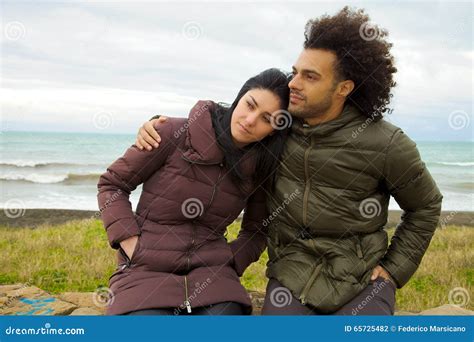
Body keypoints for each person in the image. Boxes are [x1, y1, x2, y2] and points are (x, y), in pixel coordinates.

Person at [135, 7, 443, 315]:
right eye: (295, 71)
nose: (293, 83)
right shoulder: (276, 128)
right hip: (291, 275)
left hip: (361, 278)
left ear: (343, 88)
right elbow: (224, 120)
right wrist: (160, 126)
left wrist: (394, 269)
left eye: (309, 77)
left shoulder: (386, 143)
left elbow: (425, 205)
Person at [97, 68, 290, 315]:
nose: (250, 120)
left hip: (213, 275)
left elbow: (257, 230)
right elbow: (112, 184)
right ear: (238, 98)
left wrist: (231, 262)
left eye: (267, 119)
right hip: (145, 268)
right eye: (249, 105)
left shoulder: (261, 166)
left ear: (274, 129)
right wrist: (130, 243)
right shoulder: (170, 133)